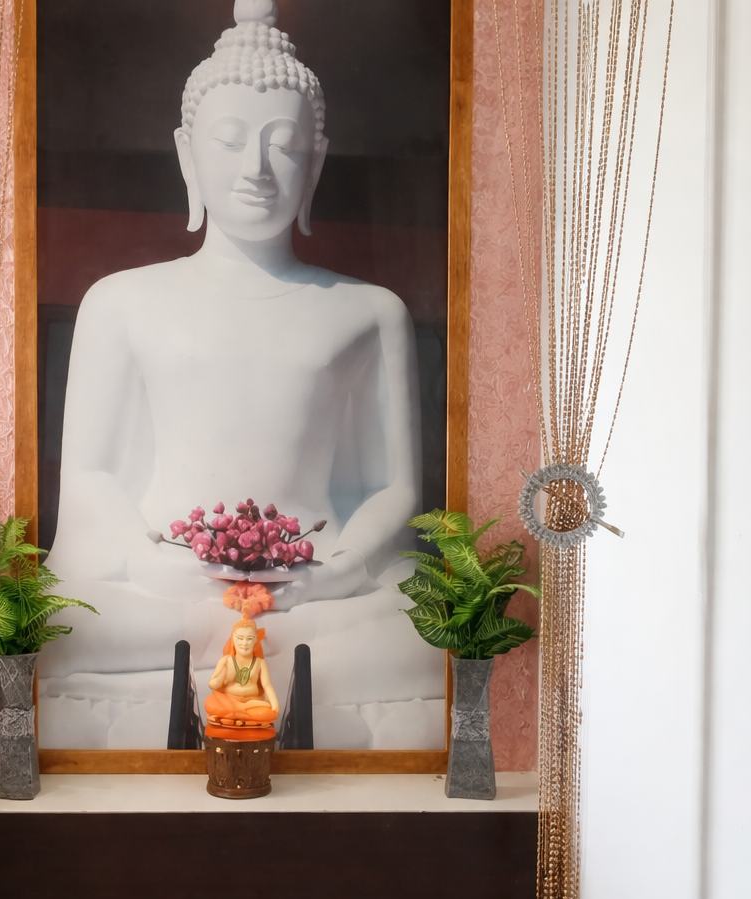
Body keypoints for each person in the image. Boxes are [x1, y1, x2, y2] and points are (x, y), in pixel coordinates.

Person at [36, 0, 445, 751]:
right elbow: (90, 479)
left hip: (317, 594)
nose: (255, 169)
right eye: (228, 142)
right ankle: (248, 661)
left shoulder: (369, 311)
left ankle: (226, 665)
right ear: (187, 154)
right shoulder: (120, 301)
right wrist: (147, 566)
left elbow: (394, 491)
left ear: (315, 162)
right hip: (159, 591)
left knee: (430, 637)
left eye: (283, 146)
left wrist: (338, 573)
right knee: (56, 632)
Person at [205, 618, 280, 740]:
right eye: (240, 638)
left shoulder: (260, 663)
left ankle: (233, 718)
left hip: (252, 701)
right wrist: (217, 681)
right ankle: (245, 715)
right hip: (229, 701)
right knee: (210, 703)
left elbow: (267, 685)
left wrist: (274, 703)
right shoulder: (225, 661)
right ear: (233, 639)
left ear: (255, 640)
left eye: (249, 639)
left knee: (268, 712)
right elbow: (213, 684)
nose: (244, 643)